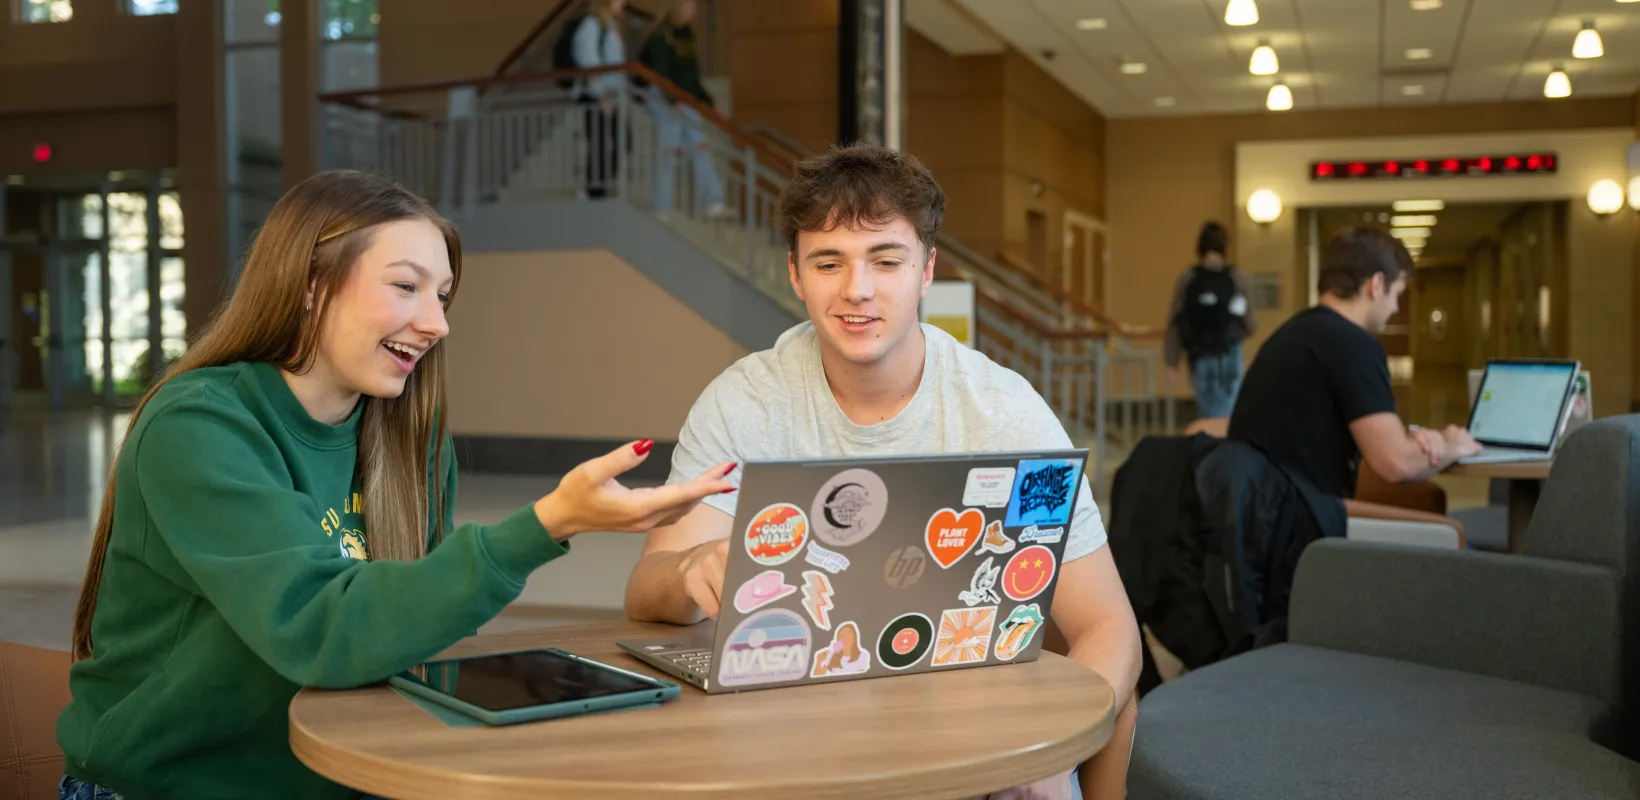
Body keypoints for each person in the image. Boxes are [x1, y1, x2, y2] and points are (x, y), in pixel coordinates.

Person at [53, 170, 734, 800]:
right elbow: (322, 628)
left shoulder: (409, 441)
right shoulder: (199, 425)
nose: (437, 324)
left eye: (441, 296)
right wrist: (547, 523)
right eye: (405, 288)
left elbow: (399, 633)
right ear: (310, 284)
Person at [622, 144, 1141, 800]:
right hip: (796, 721)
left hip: (969, 725)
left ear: (927, 271)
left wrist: (1044, 751)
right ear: (795, 275)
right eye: (828, 262)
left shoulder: (1005, 414)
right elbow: (647, 586)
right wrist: (689, 571)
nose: (857, 289)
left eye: (886, 260)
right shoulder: (745, 402)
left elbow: (1108, 626)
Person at [1228, 225, 1480, 500]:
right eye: (1397, 294)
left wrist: (1417, 433)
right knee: (1450, 535)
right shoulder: (1352, 345)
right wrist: (1453, 444)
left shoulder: (1294, 333)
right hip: (1297, 524)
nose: (1396, 308)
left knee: (1425, 500)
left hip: (1254, 513)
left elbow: (1364, 429)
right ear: (1376, 284)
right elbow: (1396, 464)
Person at [637, 0, 728, 217]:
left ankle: (713, 200)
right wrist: (672, 97)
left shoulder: (686, 35)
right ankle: (663, 205)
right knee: (669, 144)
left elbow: (690, 75)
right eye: (689, 6)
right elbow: (660, 73)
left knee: (699, 143)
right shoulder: (661, 35)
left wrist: (707, 102)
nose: (693, 11)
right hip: (658, 94)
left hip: (680, 97)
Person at [1164, 221, 1254, 419]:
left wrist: (1172, 361)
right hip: (1229, 352)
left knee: (1207, 413)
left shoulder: (1187, 278)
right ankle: (1224, 444)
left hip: (1200, 354)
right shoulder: (1238, 278)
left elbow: (1176, 321)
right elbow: (1250, 324)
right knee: (1228, 413)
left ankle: (1210, 444)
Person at [573, 0, 628, 198]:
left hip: (611, 95)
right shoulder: (591, 25)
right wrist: (601, 96)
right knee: (599, 143)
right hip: (596, 95)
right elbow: (590, 63)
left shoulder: (610, 26)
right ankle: (594, 191)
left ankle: (600, 185)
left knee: (621, 140)